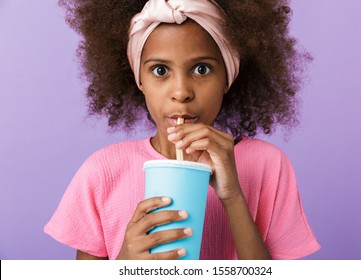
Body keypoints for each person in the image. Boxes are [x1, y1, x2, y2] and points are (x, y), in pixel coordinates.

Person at [45, 0, 320, 260]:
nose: (181, 92)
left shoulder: (268, 165)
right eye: (160, 70)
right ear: (139, 79)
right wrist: (124, 263)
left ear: (228, 77)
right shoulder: (102, 172)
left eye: (202, 69)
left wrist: (233, 196)